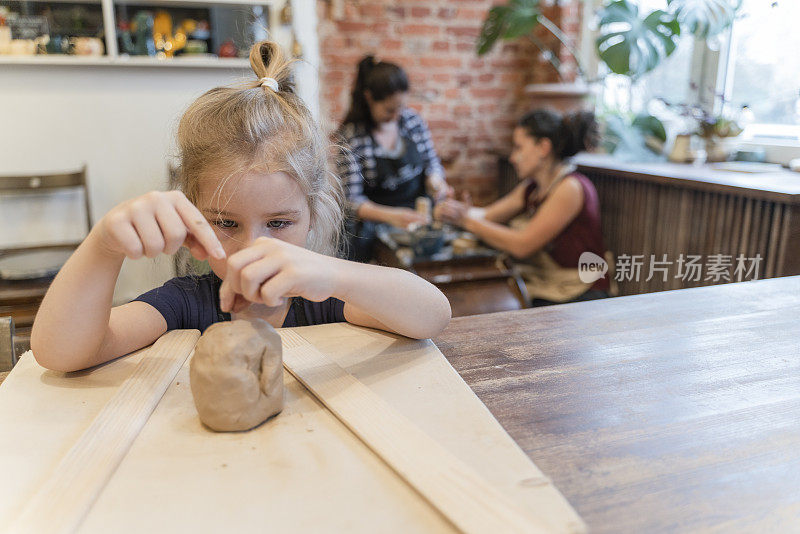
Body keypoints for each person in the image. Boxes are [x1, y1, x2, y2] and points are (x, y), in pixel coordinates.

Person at [30, 40, 451, 373]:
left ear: (314, 212)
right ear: (191, 217)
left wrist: (334, 272)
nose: (253, 248)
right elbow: (61, 354)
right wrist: (103, 246)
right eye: (226, 222)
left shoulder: (326, 299)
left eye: (280, 222)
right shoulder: (185, 304)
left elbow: (432, 315)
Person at [435, 109, 609, 306]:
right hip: (549, 286)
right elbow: (488, 215)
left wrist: (465, 220)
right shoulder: (532, 187)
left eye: (518, 148)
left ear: (543, 147)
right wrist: (453, 210)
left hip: (581, 296)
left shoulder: (571, 187)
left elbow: (522, 246)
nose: (512, 157)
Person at [337, 56, 452, 262]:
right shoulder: (352, 137)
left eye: (401, 107)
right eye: (390, 110)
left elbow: (431, 163)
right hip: (374, 229)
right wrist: (393, 216)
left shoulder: (413, 122)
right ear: (369, 97)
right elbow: (350, 201)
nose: (397, 115)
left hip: (419, 219)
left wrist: (436, 181)